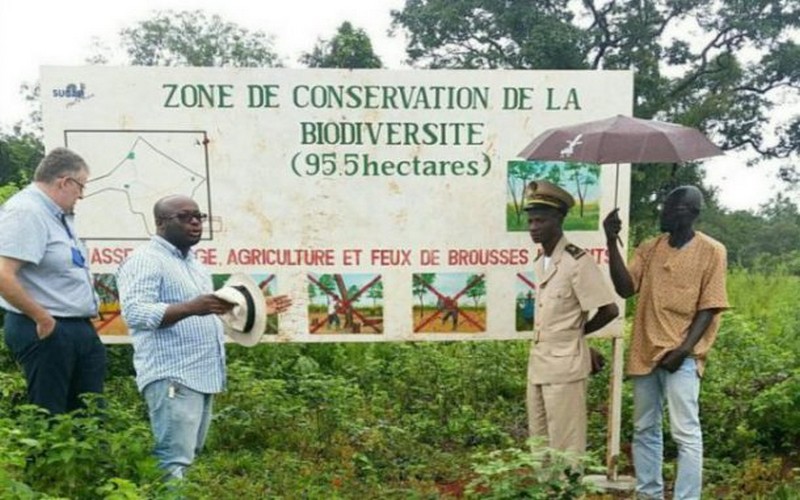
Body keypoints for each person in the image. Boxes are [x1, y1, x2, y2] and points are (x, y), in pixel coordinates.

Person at [116, 194, 291, 480]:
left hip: (201, 374)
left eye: (199, 216)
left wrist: (256, 308)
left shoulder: (195, 265)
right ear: (160, 223)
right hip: (173, 374)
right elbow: (135, 313)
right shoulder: (146, 260)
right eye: (184, 217)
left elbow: (207, 315)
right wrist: (190, 307)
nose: (195, 223)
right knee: (174, 460)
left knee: (187, 457)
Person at [603, 186, 728, 500]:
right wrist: (610, 241)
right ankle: (649, 494)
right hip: (645, 351)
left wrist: (684, 350)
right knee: (645, 429)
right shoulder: (650, 247)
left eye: (669, 208)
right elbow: (625, 288)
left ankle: (687, 497)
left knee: (685, 432)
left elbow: (710, 305)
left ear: (688, 212)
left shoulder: (713, 251)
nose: (662, 212)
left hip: (682, 356)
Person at [0, 147, 107, 414]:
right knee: (50, 416)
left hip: (75, 327)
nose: (81, 195)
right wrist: (43, 319)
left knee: (90, 415)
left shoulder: (56, 214)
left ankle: (90, 457)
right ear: (65, 182)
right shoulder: (26, 211)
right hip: (46, 327)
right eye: (80, 187)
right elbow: (3, 273)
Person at [524, 180, 619, 454]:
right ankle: (544, 493)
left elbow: (609, 309)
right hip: (539, 364)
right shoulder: (541, 261)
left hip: (565, 368)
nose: (533, 227)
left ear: (559, 219)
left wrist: (578, 337)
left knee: (565, 444)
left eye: (540, 220)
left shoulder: (577, 261)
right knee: (539, 443)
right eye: (530, 221)